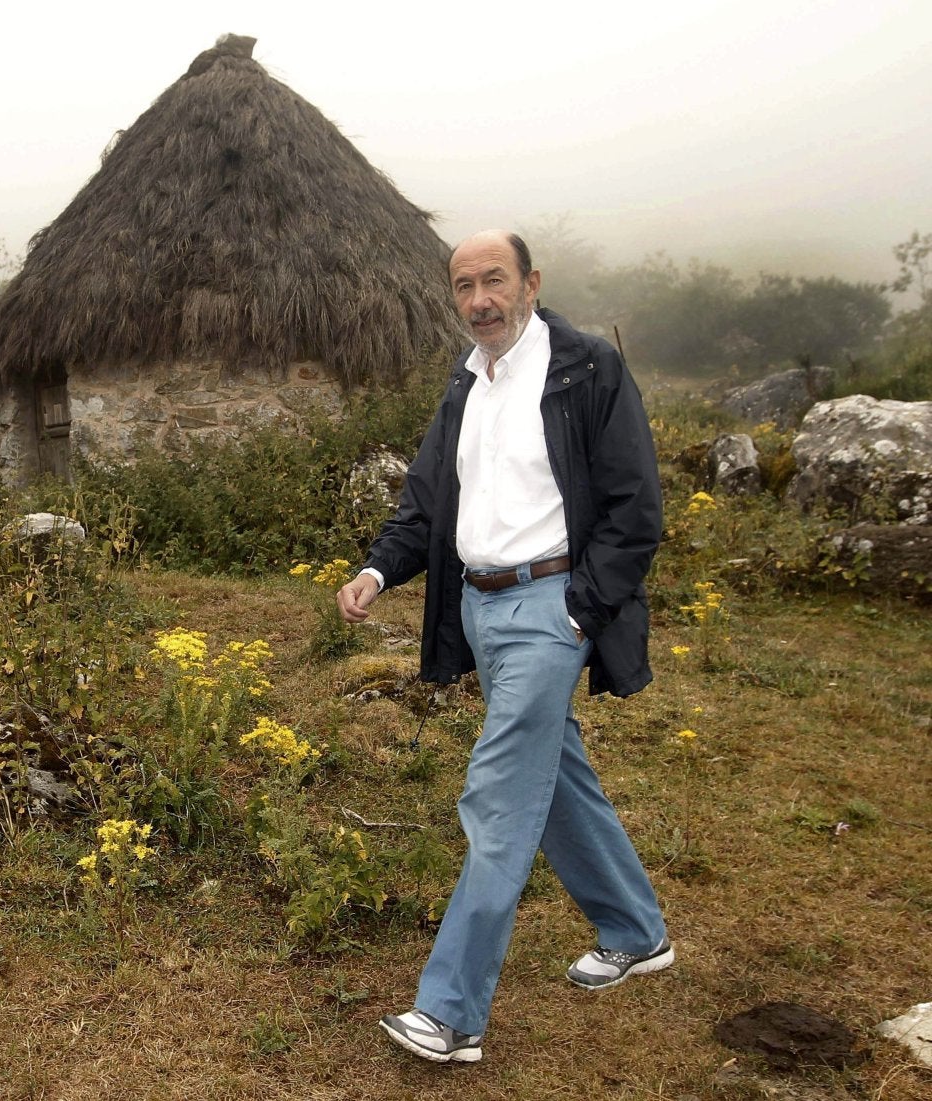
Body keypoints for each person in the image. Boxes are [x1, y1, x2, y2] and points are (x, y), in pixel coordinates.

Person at [337, 230, 671, 1065]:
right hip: (481, 611)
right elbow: (426, 498)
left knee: (497, 793)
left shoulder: (586, 368)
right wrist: (379, 571)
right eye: (464, 286)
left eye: (494, 280)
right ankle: (636, 929)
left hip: (551, 607)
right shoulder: (467, 382)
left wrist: (579, 611)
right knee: (552, 779)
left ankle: (450, 1012)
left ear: (530, 282)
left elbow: (636, 507)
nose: (479, 299)